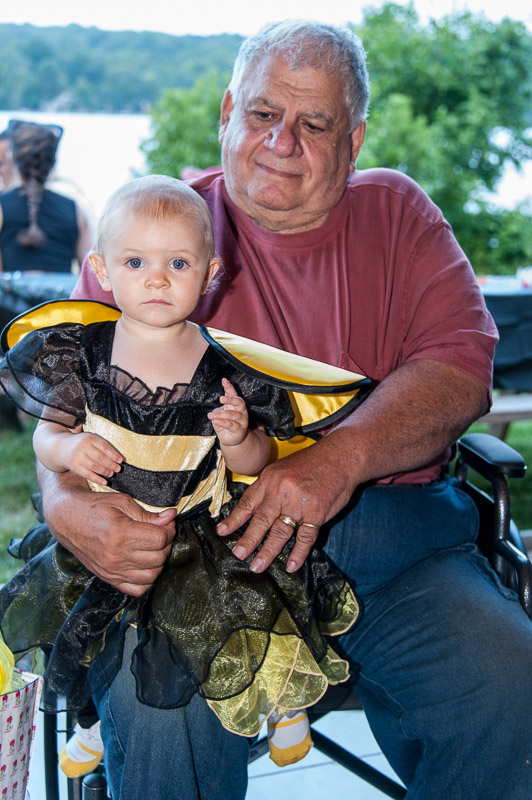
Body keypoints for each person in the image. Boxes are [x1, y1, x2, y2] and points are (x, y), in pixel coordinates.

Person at [36, 20, 532, 800]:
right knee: (160, 706)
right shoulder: (156, 234)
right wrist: (65, 505)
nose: (281, 142)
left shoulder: (399, 215)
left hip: (393, 546)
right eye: (264, 113)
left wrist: (340, 459)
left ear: (354, 140)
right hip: (194, 560)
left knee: (510, 682)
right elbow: (67, 409)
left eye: (315, 123)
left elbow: (461, 368)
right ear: (227, 112)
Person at [0, 174, 367, 771]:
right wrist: (70, 451)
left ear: (210, 272)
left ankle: (281, 705)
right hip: (109, 523)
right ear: (101, 269)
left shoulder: (225, 365)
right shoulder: (83, 352)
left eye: (177, 263)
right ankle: (97, 725)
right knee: (96, 627)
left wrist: (240, 437)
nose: (157, 279)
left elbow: (256, 462)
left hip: (199, 533)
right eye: (135, 262)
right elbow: (47, 435)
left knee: (238, 620)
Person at [0, 120, 92, 272]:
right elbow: (90, 273)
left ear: (12, 158)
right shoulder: (74, 210)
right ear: (52, 162)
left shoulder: (2, 207)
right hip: (62, 288)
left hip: (11, 288)